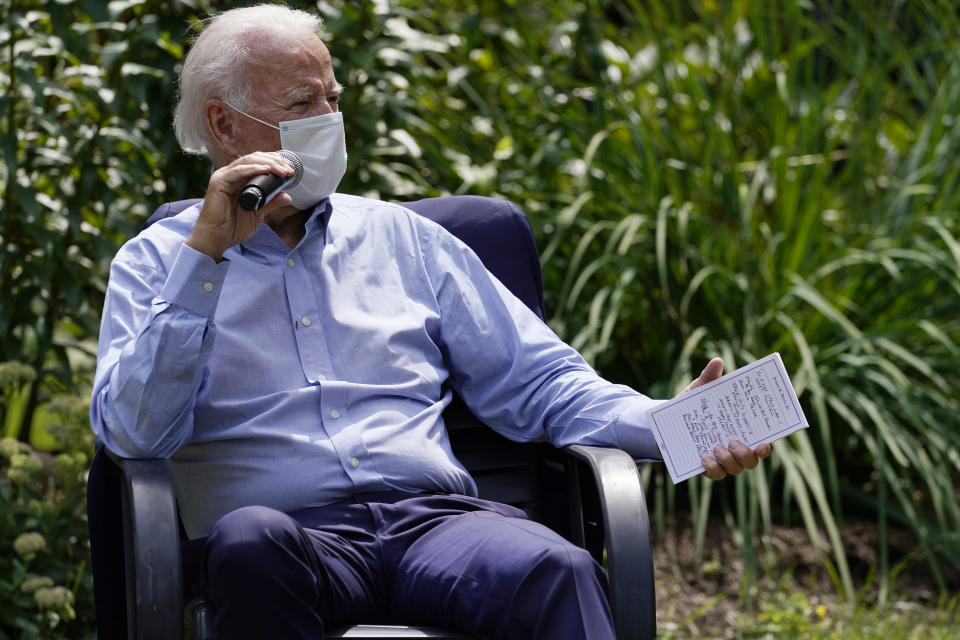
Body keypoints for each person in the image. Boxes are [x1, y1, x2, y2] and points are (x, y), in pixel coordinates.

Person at [90, 5, 771, 639]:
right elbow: (135, 433)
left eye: (333, 99)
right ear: (224, 125)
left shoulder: (402, 238)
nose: (329, 119)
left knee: (555, 569)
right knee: (249, 546)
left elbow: (543, 385)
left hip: (433, 526)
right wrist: (205, 261)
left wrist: (674, 423)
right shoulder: (158, 265)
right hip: (287, 541)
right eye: (302, 104)